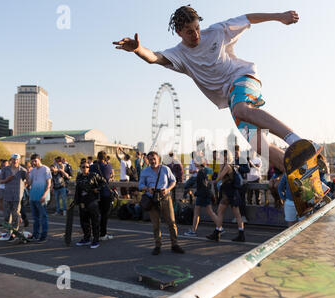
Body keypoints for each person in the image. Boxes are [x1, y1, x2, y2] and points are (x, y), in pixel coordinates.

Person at [113, 6, 317, 175]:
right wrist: (138, 49)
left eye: (197, 29)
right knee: (262, 148)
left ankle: (297, 140)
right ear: (179, 33)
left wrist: (279, 17)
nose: (196, 35)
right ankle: (305, 178)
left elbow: (248, 18)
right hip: (232, 98)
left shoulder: (217, 31)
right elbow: (155, 57)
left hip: (244, 78)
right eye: (189, 32)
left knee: (240, 109)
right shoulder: (179, 54)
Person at [138, 151, 185, 255]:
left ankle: (175, 244)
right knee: (156, 224)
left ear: (158, 158)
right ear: (148, 160)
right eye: (150, 159)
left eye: (154, 158)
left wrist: (168, 189)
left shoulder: (165, 169)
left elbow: (173, 181)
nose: (152, 161)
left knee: (172, 223)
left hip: (165, 198)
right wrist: (148, 188)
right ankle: (157, 245)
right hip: (152, 199)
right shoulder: (145, 171)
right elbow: (140, 185)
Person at [206, 150, 246, 242]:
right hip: (228, 192)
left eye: (221, 156)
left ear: (225, 157)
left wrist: (219, 169)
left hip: (229, 192)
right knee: (227, 213)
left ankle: (218, 233)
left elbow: (218, 178)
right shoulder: (227, 166)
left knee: (233, 214)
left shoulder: (227, 166)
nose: (219, 157)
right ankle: (220, 232)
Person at [74, 161, 107, 249]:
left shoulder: (93, 175)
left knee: (95, 221)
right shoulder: (79, 176)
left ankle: (95, 240)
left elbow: (104, 182)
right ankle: (86, 238)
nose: (85, 169)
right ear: (80, 168)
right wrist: (76, 201)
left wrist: (97, 189)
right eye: (83, 167)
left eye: (87, 167)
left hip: (92, 200)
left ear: (89, 168)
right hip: (82, 201)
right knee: (84, 221)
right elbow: (77, 189)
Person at [184, 157, 219, 237]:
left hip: (202, 195)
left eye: (195, 161)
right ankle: (219, 227)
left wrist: (197, 193)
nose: (194, 162)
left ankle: (193, 231)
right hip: (205, 194)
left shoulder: (200, 172)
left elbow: (203, 185)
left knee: (197, 213)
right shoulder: (204, 170)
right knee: (210, 212)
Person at [0, 154, 27, 240]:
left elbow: (27, 181)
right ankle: (8, 231)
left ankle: (14, 232)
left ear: (19, 160)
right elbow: (0, 181)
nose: (15, 161)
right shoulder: (5, 169)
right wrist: (7, 180)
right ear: (11, 160)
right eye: (13, 159)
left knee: (16, 215)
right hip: (7, 195)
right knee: (7, 215)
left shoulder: (23, 171)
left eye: (17, 159)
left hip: (17, 196)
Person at [90, 151, 114, 241]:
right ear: (105, 158)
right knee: (104, 215)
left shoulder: (92, 167)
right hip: (105, 193)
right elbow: (109, 176)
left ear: (97, 157)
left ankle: (95, 233)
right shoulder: (108, 166)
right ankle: (103, 234)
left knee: (95, 215)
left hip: (95, 193)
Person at [28, 154, 52, 243]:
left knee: (43, 217)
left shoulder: (46, 169)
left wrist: (44, 195)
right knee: (35, 218)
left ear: (39, 159)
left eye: (35, 160)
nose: (34, 162)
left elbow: (49, 183)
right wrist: (28, 172)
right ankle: (35, 234)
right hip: (33, 196)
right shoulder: (32, 170)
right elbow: (29, 183)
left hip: (42, 197)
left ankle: (44, 236)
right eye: (32, 161)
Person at [233, 145, 250, 223]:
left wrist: (239, 168)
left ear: (239, 151)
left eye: (236, 152)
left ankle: (243, 216)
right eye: (234, 152)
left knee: (242, 200)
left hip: (242, 182)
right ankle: (237, 216)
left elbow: (247, 170)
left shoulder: (243, 159)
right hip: (234, 183)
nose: (235, 153)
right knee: (235, 201)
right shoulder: (232, 160)